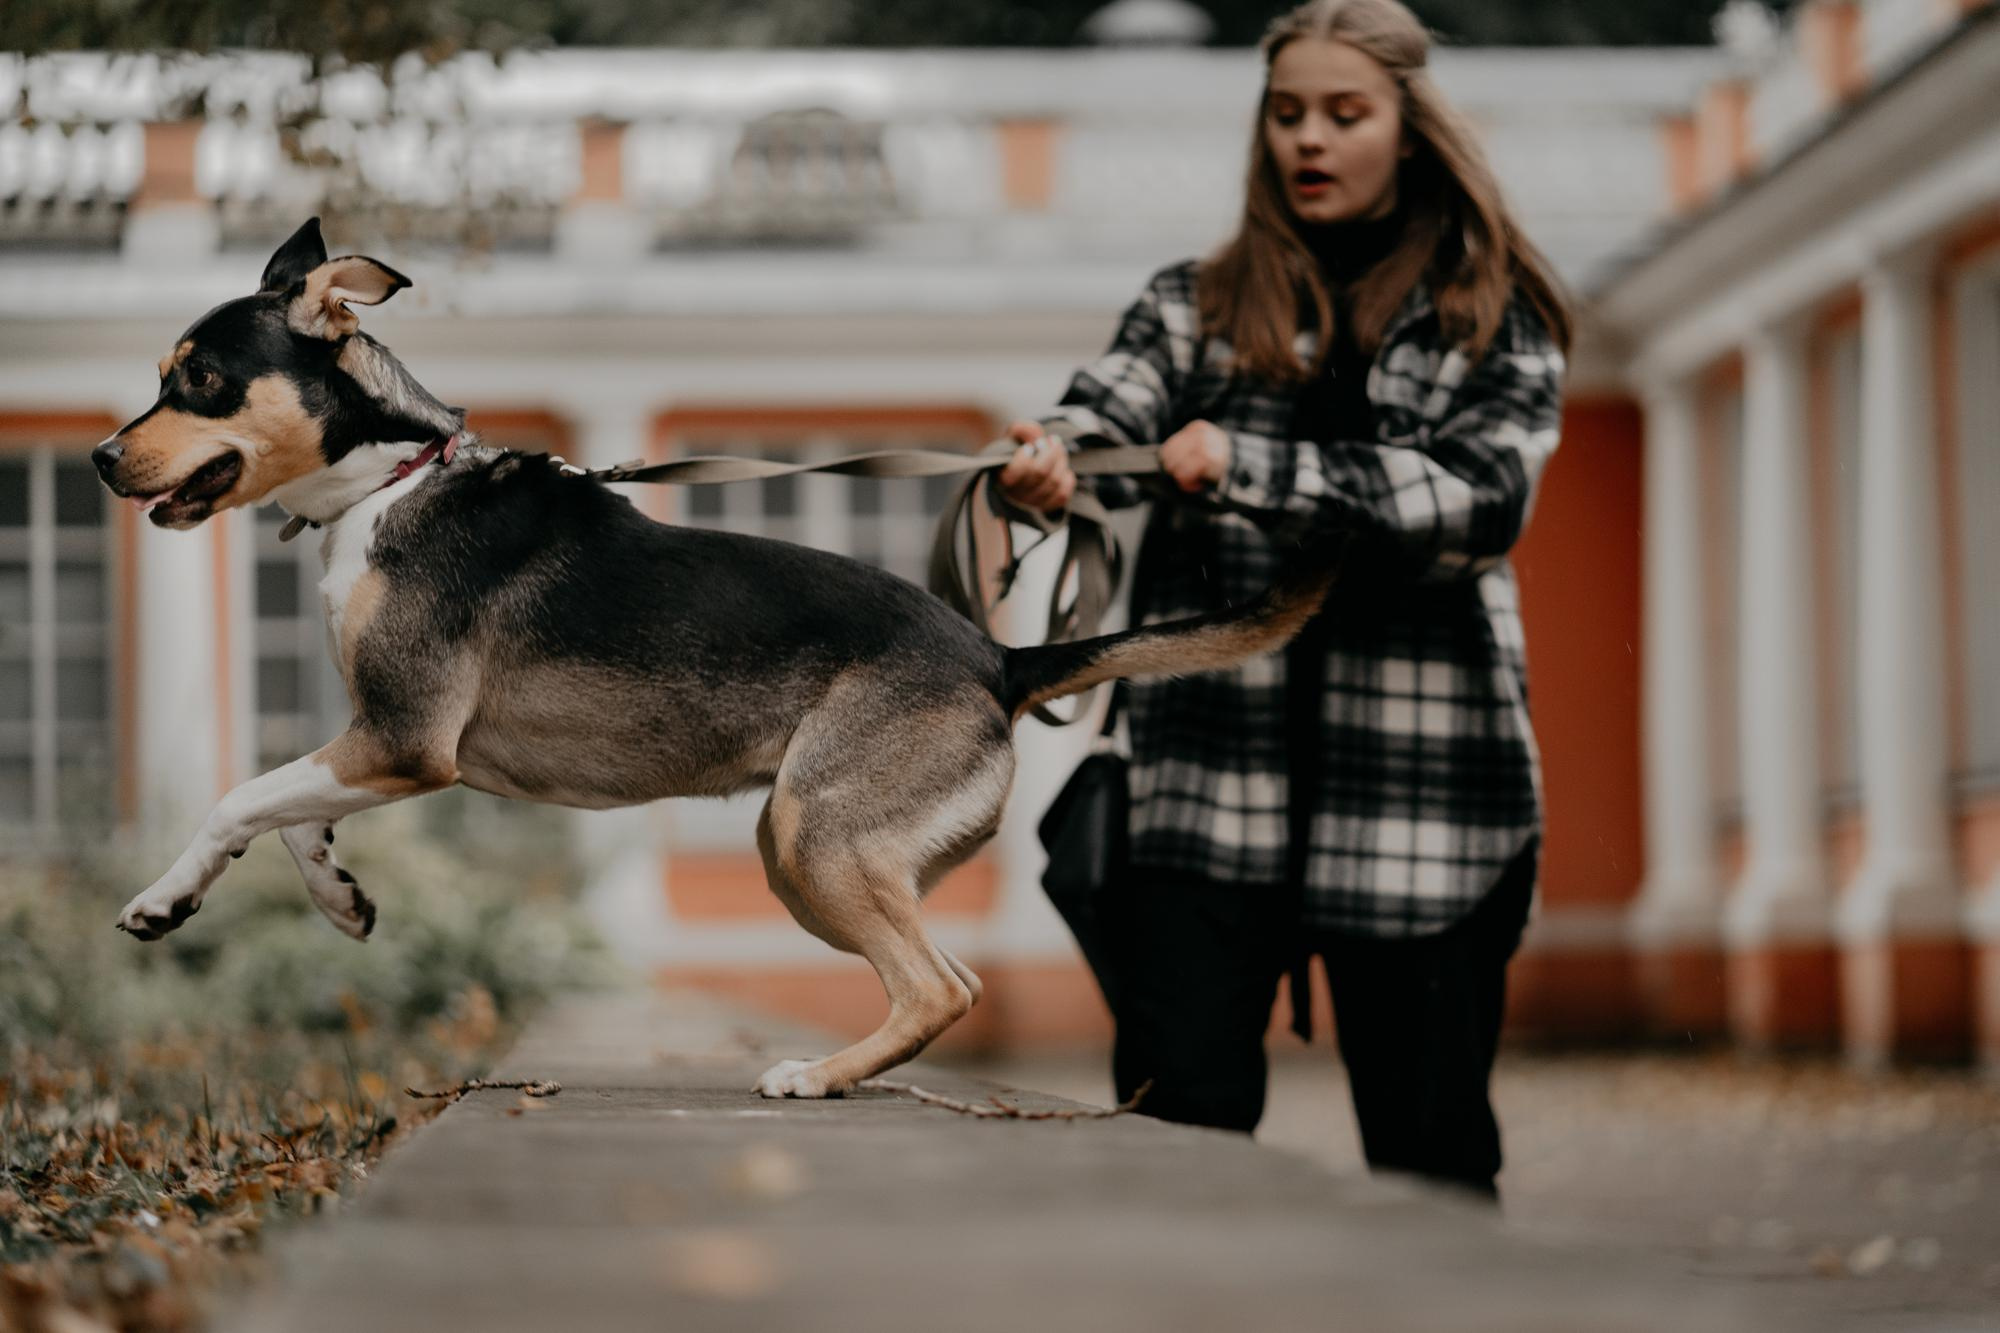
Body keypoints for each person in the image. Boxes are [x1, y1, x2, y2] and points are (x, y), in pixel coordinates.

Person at [993, 0, 1572, 1201]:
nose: (1307, 138)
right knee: (1173, 1152)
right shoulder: (1193, 302)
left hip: (1430, 799)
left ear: (1409, 131)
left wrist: (1252, 467)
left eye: (1343, 114)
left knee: (1433, 1166)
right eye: (1286, 112)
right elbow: (1105, 406)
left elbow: (1478, 504)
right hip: (1197, 792)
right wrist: (1053, 458)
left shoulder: (1490, 311)